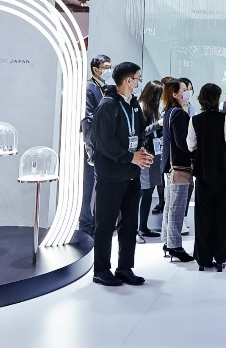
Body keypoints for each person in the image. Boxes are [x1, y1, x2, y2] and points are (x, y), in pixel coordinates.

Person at [90, 62, 154, 287]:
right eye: (137, 78)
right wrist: (130, 157)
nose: (139, 82)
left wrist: (142, 151)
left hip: (131, 174)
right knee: (105, 224)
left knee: (129, 225)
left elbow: (140, 132)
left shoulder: (134, 104)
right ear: (128, 80)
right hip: (111, 175)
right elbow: (104, 142)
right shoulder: (107, 105)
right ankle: (101, 270)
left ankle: (125, 268)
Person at [189, 83, 226, 271]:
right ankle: (221, 255)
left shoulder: (195, 120)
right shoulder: (225, 118)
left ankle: (204, 258)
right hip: (223, 170)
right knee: (223, 213)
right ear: (217, 99)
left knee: (203, 215)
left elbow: (190, 146)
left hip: (203, 171)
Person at [161, 80, 194, 262]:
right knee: (177, 208)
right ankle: (174, 245)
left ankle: (167, 241)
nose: (187, 92)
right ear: (175, 94)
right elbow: (182, 142)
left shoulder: (169, 112)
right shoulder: (179, 113)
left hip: (171, 166)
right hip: (180, 166)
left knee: (170, 206)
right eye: (184, 90)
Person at [79, 54, 111, 236]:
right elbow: (88, 118)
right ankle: (85, 224)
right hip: (92, 143)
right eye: (106, 67)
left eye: (110, 67)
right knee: (89, 185)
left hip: (103, 142)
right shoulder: (89, 88)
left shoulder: (104, 88)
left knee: (99, 185)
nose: (109, 70)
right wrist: (90, 146)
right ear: (95, 69)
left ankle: (97, 221)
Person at [136, 80, 164, 241]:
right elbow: (141, 132)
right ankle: (138, 228)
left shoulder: (153, 108)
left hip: (154, 153)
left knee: (149, 191)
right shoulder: (141, 107)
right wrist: (157, 124)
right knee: (143, 192)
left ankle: (143, 227)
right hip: (145, 153)